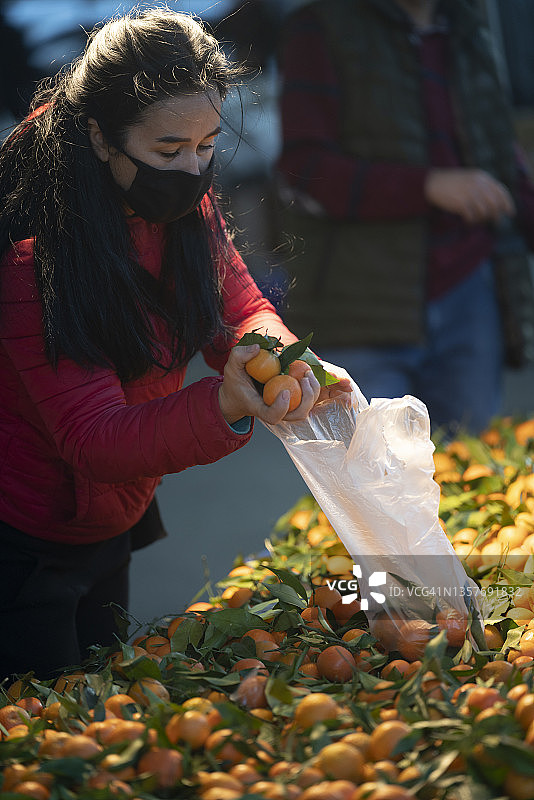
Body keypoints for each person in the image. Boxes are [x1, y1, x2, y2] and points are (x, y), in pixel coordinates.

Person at [0, 7, 349, 681]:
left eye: (208, 144)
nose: (192, 171)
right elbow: (94, 438)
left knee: (106, 697)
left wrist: (279, 355)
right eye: (168, 151)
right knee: (44, 736)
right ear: (100, 137)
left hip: (113, 518)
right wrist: (225, 405)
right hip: (25, 539)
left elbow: (240, 306)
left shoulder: (181, 203)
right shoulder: (31, 251)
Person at [275, 0, 534, 437]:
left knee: (468, 470)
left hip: (470, 292)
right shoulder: (320, 26)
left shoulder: (467, 24)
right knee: (376, 483)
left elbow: (500, 156)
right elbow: (306, 170)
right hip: (362, 303)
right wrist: (429, 186)